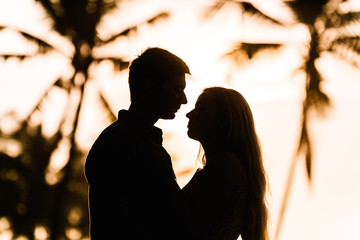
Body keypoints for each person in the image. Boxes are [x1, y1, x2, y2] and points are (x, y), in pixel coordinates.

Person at [85, 47, 194, 239]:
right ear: (151, 87)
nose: (184, 100)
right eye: (177, 89)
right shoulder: (119, 144)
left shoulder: (138, 141)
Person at [183, 87, 269, 240]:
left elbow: (190, 227)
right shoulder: (228, 166)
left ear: (223, 121)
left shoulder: (225, 166)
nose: (189, 114)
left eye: (200, 109)